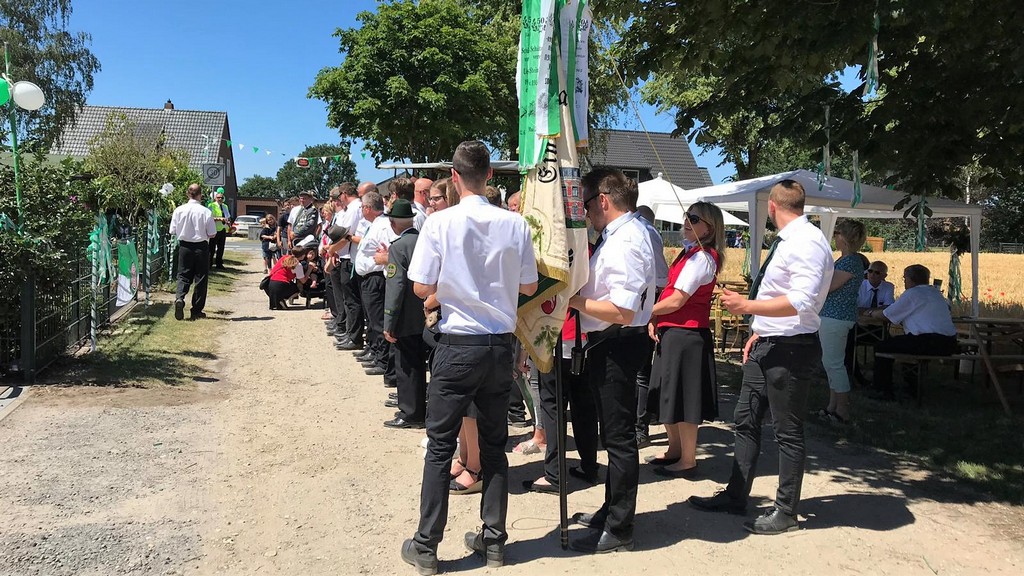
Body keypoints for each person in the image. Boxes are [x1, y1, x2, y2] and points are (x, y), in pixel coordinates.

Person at [400, 141, 537, 574]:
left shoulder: (439, 222)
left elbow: (420, 287)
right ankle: (494, 540)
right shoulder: (515, 224)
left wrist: (455, 283)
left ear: (455, 177)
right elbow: (529, 286)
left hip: (458, 343)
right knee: (495, 446)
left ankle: (427, 545)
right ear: (490, 175)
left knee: (440, 446)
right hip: (498, 344)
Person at [691, 178, 833, 535]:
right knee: (745, 419)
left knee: (787, 430)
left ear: (772, 206)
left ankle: (786, 511)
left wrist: (747, 306)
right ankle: (736, 495)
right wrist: (759, 328)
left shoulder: (806, 242)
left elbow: (801, 301)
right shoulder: (792, 239)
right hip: (770, 341)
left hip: (791, 349)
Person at [567, 167, 656, 554]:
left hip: (617, 342)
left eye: (587, 204)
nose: (585, 212)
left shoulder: (628, 239)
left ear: (603, 200)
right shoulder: (625, 234)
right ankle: (611, 511)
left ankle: (620, 527)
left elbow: (621, 309)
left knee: (619, 440)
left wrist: (574, 301)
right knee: (614, 436)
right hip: (612, 341)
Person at [646, 201, 724, 478]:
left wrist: (646, 312)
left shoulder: (703, 258)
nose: (687, 222)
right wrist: (656, 318)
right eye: (687, 216)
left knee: (685, 398)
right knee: (668, 393)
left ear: (709, 228)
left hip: (688, 335)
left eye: (695, 218)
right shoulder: (689, 253)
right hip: (674, 332)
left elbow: (678, 299)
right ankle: (675, 449)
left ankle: (688, 459)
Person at [868, 265, 958, 399]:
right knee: (905, 343)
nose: (904, 281)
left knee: (882, 346)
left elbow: (887, 315)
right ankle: (910, 385)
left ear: (910, 279)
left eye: (905, 278)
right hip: (950, 343)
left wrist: (871, 313)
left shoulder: (912, 294)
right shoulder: (935, 293)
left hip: (928, 341)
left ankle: (882, 389)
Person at [817, 219, 867, 424]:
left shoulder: (850, 262)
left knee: (834, 363)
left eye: (837, 233)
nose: (835, 237)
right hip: (833, 316)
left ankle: (842, 409)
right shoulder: (847, 260)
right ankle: (833, 405)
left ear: (844, 238)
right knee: (830, 362)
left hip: (836, 317)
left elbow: (828, 287)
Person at [383, 199, 426, 429]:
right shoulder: (424, 240)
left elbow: (396, 285)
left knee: (407, 365)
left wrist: (389, 320)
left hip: (407, 316)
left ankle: (411, 413)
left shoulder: (398, 247)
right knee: (423, 364)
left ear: (393, 224)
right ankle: (421, 409)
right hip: (428, 312)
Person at [633, 204, 669, 448]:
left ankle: (639, 427)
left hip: (643, 306)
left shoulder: (644, 231)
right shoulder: (647, 231)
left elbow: (662, 277)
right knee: (639, 371)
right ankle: (637, 426)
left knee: (640, 372)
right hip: (641, 304)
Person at [353, 190, 390, 376]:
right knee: (372, 320)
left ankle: (383, 360)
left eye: (362, 207)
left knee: (378, 322)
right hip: (367, 278)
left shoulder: (383, 225)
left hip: (376, 278)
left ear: (368, 208)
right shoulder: (374, 224)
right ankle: (375, 352)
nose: (361, 210)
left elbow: (388, 251)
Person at [169, 184, 217, 321]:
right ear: (200, 195)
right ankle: (196, 310)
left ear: (187, 194)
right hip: (201, 246)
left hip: (184, 246)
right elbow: (212, 233)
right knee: (200, 278)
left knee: (183, 275)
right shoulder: (205, 212)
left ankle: (180, 297)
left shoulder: (179, 210)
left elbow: (172, 230)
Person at [207, 190, 231, 270]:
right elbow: (209, 218)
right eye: (218, 197)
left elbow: (227, 216)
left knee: (221, 248)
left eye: (221, 197)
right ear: (215, 198)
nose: (220, 199)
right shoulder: (211, 205)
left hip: (223, 229)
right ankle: (209, 264)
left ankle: (219, 263)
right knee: (212, 248)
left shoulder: (225, 206)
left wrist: (229, 224)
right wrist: (219, 219)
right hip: (214, 229)